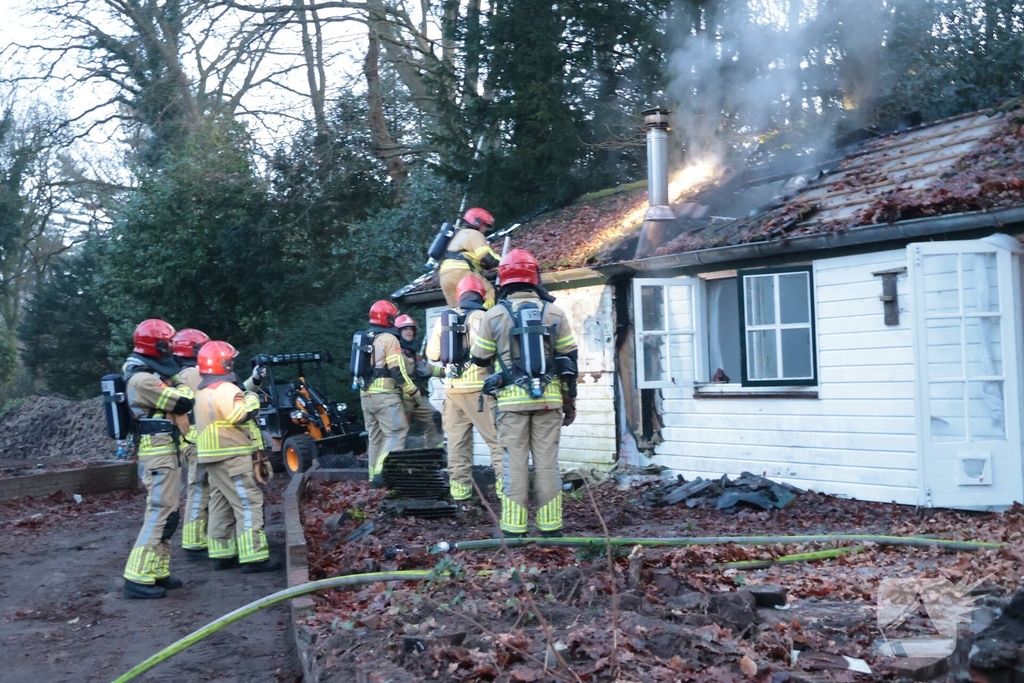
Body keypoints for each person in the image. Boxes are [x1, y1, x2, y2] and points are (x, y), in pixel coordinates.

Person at [469, 249, 579, 538]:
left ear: (503, 279)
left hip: (510, 403)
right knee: (547, 463)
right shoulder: (554, 313)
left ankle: (514, 528)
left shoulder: (493, 315)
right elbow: (569, 361)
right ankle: (551, 526)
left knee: (513, 463)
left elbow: (479, 358)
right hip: (549, 400)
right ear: (534, 277)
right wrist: (570, 403)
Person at [121, 319, 196, 599]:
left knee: (169, 515)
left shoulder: (149, 373)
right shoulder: (143, 379)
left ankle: (156, 572)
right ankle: (136, 577)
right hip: (158, 454)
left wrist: (175, 382)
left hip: (166, 450)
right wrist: (181, 384)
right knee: (159, 513)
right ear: (158, 346)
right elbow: (184, 402)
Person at [194, 341, 280, 573]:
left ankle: (222, 554)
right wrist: (252, 399)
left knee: (220, 504)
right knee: (248, 502)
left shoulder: (204, 391)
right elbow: (239, 413)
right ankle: (254, 557)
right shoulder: (225, 389)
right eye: (230, 360)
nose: (233, 363)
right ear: (223, 363)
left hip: (213, 456)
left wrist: (253, 382)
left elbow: (234, 397)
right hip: (233, 454)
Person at [425, 275, 504, 501]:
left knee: (457, 445)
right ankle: (505, 491)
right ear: (480, 295)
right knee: (497, 442)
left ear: (459, 295)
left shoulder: (444, 319)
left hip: (452, 392)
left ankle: (460, 495)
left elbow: (432, 355)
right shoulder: (484, 316)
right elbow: (494, 352)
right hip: (480, 391)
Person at [360, 300, 422, 484]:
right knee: (397, 431)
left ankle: (372, 478)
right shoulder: (390, 339)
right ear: (387, 317)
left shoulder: (365, 337)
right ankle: (381, 475)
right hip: (385, 397)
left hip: (366, 396)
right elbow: (397, 372)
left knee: (376, 437)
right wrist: (414, 392)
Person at [171, 328, 211, 561]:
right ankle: (195, 543)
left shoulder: (178, 374)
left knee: (200, 489)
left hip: (191, 442)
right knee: (199, 490)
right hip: (198, 443)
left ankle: (198, 540)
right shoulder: (193, 374)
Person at [394, 314, 443, 449]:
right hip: (400, 401)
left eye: (411, 329)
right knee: (399, 432)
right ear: (398, 332)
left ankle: (432, 454)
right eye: (405, 329)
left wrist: (447, 372)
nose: (409, 331)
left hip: (416, 398)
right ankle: (395, 463)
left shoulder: (413, 354)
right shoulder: (394, 353)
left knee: (435, 418)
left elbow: (426, 368)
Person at [438, 207, 499, 309]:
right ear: (477, 222)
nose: (485, 229)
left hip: (444, 276)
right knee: (490, 292)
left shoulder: (457, 234)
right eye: (485, 225)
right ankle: (482, 317)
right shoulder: (474, 234)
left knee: (456, 308)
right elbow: (486, 256)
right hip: (461, 272)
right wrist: (504, 264)